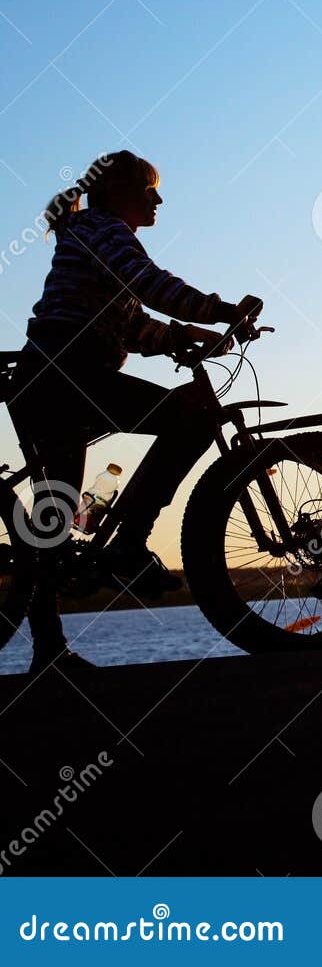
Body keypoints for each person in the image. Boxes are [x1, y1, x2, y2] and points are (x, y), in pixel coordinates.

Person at [8, 151, 256, 672]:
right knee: (191, 418)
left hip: (50, 376)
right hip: (69, 375)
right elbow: (149, 282)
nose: (159, 199)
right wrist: (220, 309)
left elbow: (130, 322)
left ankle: (49, 650)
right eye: (149, 190)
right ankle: (129, 543)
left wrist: (181, 337)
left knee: (54, 516)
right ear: (119, 192)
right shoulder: (104, 229)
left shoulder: (87, 234)